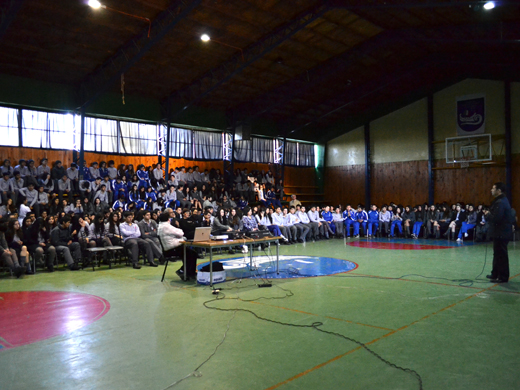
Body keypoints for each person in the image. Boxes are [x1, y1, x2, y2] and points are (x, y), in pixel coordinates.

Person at [484, 182, 513, 284]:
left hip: (502, 232)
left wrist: (488, 215)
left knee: (501, 255)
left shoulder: (500, 202)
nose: (491, 190)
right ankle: (495, 273)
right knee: (497, 254)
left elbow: (497, 218)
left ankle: (503, 277)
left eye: (493, 188)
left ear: (499, 190)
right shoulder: (501, 201)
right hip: (499, 233)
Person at [157, 212, 197, 279]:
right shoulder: (166, 226)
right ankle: (186, 272)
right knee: (193, 254)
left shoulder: (160, 226)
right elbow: (181, 233)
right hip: (173, 249)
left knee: (189, 253)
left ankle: (187, 272)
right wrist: (178, 228)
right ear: (168, 219)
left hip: (169, 249)